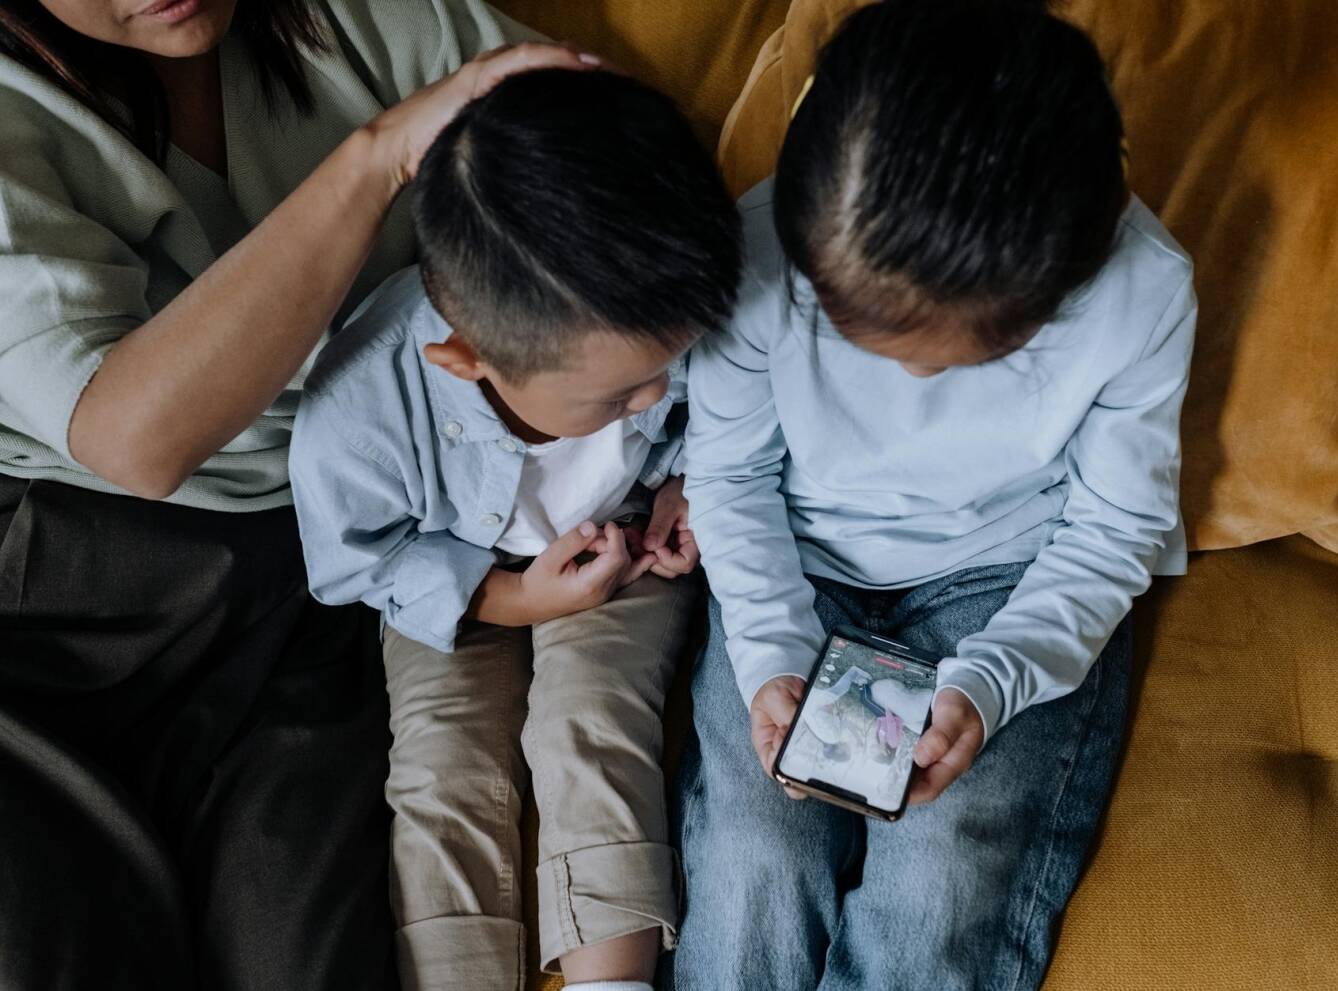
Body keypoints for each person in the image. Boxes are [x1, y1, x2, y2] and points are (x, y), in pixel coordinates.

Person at [0, 0, 594, 986]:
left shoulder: (361, 18)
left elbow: (609, 173)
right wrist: (375, 160)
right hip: (51, 597)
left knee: (307, 960)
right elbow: (136, 440)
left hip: (305, 579)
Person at [665, 1, 1198, 988]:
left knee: (944, 878)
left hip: (1014, 575)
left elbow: (1113, 526)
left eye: (981, 355)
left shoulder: (1143, 290)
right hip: (799, 561)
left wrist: (991, 683)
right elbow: (731, 475)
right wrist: (774, 653)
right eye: (861, 338)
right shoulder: (757, 253)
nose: (910, 387)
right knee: (753, 858)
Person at [288, 68, 741, 991]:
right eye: (619, 394)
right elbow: (354, 563)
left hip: (622, 544)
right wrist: (511, 598)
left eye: (669, 367)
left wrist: (689, 483)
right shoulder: (361, 408)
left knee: (591, 719)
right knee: (440, 769)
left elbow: (718, 415)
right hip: (453, 581)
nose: (655, 398)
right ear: (470, 360)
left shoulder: (662, 319)